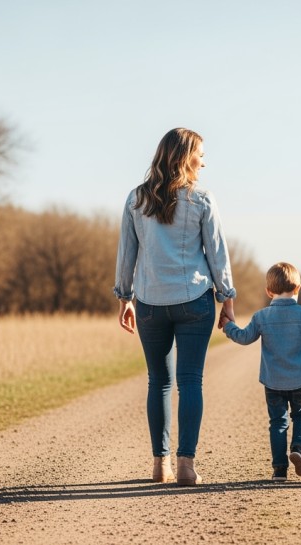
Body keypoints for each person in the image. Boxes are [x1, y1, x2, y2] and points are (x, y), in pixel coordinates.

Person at [114, 127, 237, 486]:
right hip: (194, 301)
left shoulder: (136, 200)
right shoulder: (202, 200)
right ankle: (186, 465)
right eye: (201, 152)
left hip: (149, 302)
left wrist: (124, 297)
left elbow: (127, 254)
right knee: (190, 382)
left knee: (159, 383)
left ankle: (160, 465)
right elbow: (218, 255)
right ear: (185, 157)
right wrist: (226, 298)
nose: (205, 160)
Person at [220, 262, 301, 481]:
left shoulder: (261, 317)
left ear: (268, 291)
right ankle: (299, 449)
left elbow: (244, 337)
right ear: (298, 288)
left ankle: (279, 470)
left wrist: (228, 325)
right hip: (300, 379)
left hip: (272, 381)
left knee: (278, 422)